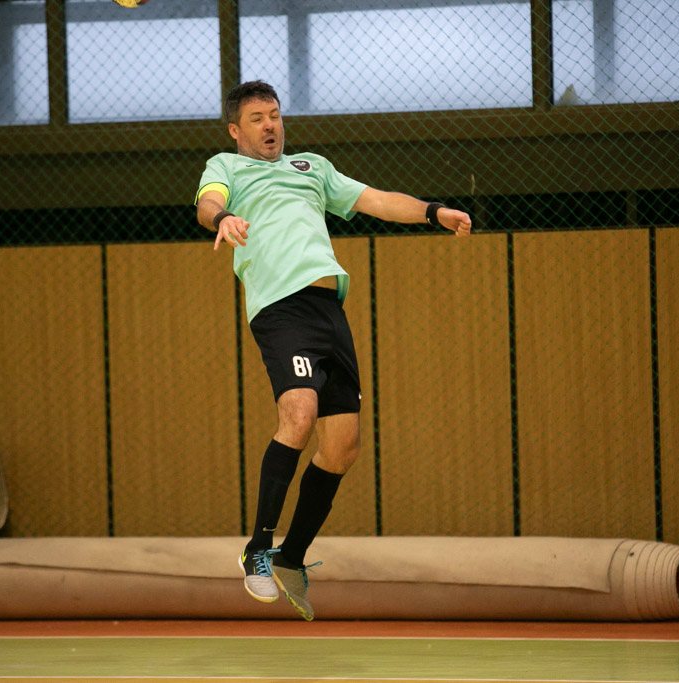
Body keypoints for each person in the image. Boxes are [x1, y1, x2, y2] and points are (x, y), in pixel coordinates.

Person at [195, 81, 472, 621]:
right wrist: (222, 217)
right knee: (298, 414)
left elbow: (377, 200)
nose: (270, 125)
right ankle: (258, 549)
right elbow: (209, 203)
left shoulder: (312, 168)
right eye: (257, 118)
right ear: (235, 130)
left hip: (329, 310)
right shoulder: (226, 167)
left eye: (275, 115)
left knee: (342, 447)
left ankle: (291, 557)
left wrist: (434, 212)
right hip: (281, 308)